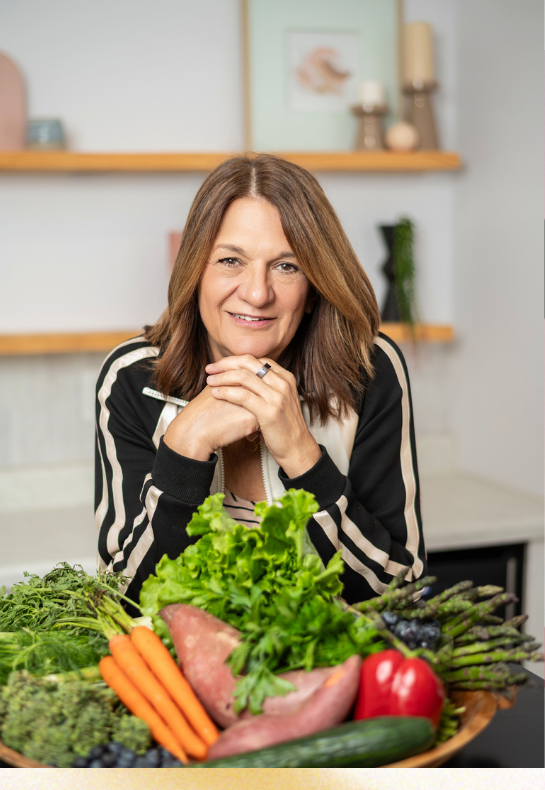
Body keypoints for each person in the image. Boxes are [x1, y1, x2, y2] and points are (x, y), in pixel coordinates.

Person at [95, 153, 426, 610]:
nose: (256, 293)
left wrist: (304, 458)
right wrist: (184, 449)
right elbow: (122, 599)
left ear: (314, 288)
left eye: (287, 266)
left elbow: (399, 592)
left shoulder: (368, 367)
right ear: (195, 272)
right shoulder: (132, 377)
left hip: (329, 652)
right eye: (230, 260)